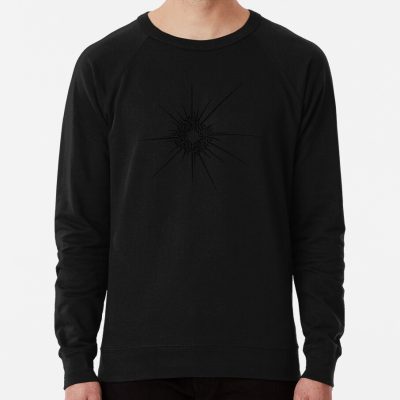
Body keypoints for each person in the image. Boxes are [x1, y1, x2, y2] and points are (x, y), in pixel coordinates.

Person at [54, 0, 346, 399]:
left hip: (261, 367)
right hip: (135, 369)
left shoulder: (299, 64)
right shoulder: (103, 66)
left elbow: (318, 226)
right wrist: (76, 364)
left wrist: (321, 362)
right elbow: (82, 227)